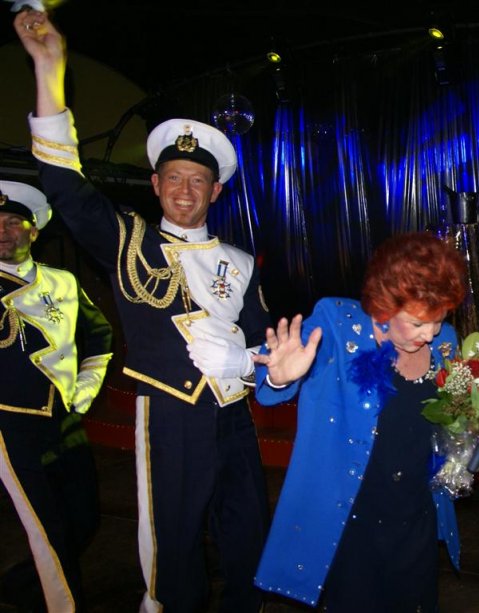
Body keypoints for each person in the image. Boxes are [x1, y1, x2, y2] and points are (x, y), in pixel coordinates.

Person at [16, 10, 272, 612]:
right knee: (173, 548)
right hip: (170, 415)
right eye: (173, 178)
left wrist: (255, 361)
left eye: (197, 181)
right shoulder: (128, 241)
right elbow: (66, 188)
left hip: (234, 419)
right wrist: (49, 70)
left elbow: (265, 343)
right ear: (155, 186)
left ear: (215, 191)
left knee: (248, 539)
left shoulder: (241, 261)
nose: (185, 190)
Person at [252, 232, 479, 611]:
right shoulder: (337, 325)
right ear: (385, 305)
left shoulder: (445, 343)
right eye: (418, 323)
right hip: (350, 521)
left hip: (415, 517)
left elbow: (448, 427)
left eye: (439, 320)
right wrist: (280, 376)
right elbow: (272, 381)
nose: (430, 334)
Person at [0, 180, 113, 613]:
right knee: (47, 529)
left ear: (34, 231)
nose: (4, 231)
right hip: (9, 424)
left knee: (83, 519)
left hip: (65, 420)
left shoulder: (63, 281)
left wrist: (85, 389)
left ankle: (18, 587)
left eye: (14, 222)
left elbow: (99, 335)